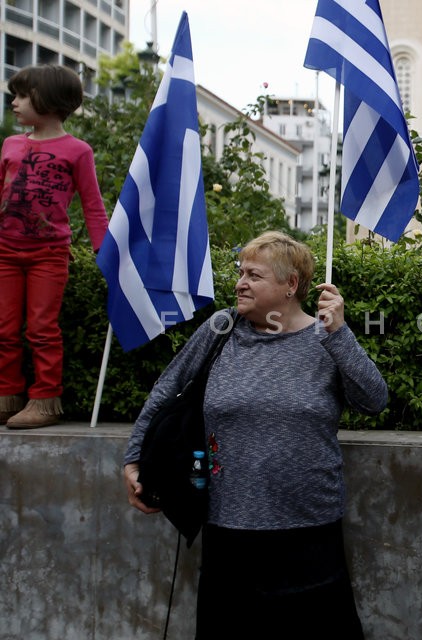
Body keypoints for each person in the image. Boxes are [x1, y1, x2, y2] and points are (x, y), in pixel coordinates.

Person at [122, 231, 387, 638]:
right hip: (228, 525)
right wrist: (134, 458)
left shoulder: (326, 339)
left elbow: (374, 400)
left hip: (308, 528)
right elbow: (166, 391)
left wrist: (340, 334)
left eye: (254, 275)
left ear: (291, 285)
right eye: (240, 272)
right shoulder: (221, 328)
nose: (240, 282)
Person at [0, 64, 108, 428]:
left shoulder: (77, 151)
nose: (13, 102)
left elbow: (93, 205)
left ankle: (45, 400)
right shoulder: (10, 144)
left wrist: (103, 251)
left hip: (48, 254)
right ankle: (6, 395)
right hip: (5, 252)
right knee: (4, 326)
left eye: (21, 95)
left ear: (46, 100)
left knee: (42, 327)